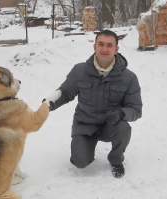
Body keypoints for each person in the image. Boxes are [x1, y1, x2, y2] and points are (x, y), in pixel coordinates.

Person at [44, 30, 142, 178]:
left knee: (123, 128)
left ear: (116, 49)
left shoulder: (129, 78)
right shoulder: (79, 71)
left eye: (109, 45)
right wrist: (49, 104)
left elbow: (135, 109)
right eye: (101, 44)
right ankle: (85, 149)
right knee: (79, 162)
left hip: (110, 126)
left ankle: (116, 160)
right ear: (94, 47)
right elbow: (65, 92)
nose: (104, 49)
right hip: (85, 125)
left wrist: (122, 113)